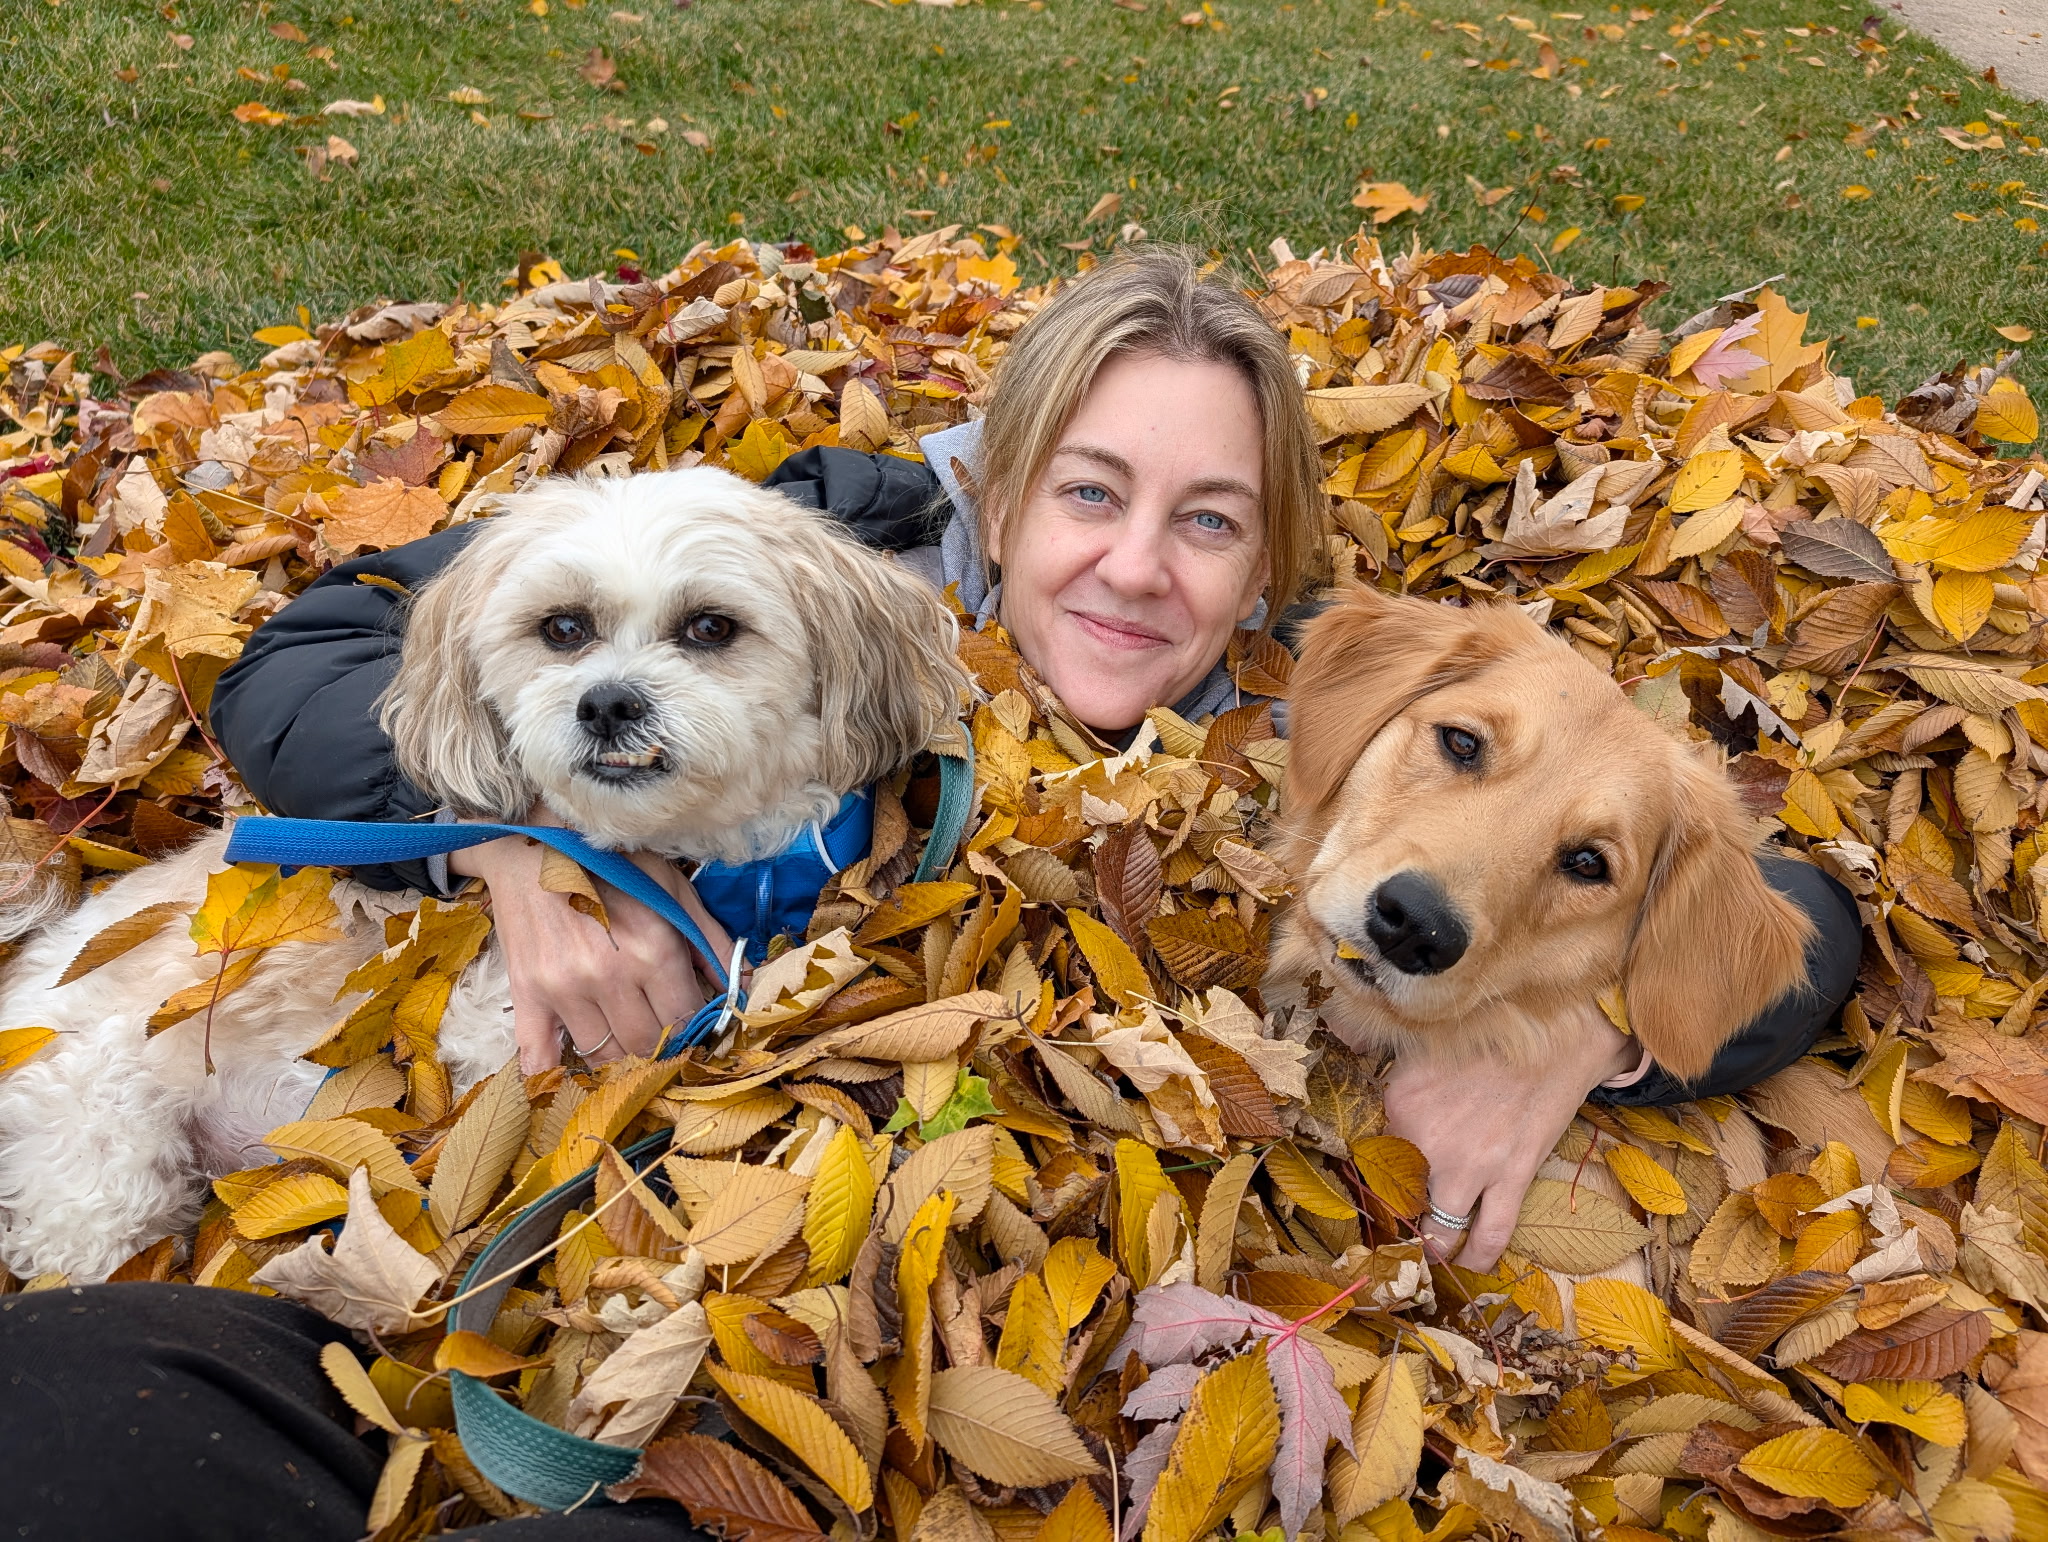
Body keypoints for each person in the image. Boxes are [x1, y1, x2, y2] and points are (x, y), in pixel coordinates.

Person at [2, 248, 1860, 1537]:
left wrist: (1594, 1024)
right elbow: (311, 644)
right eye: (1088, 492)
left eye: (1208, 521)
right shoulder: (810, 537)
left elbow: (1782, 901)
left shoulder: (1316, 710)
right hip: (381, 1145)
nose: (1137, 571)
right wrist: (505, 840)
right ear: (994, 484)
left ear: (1269, 560)